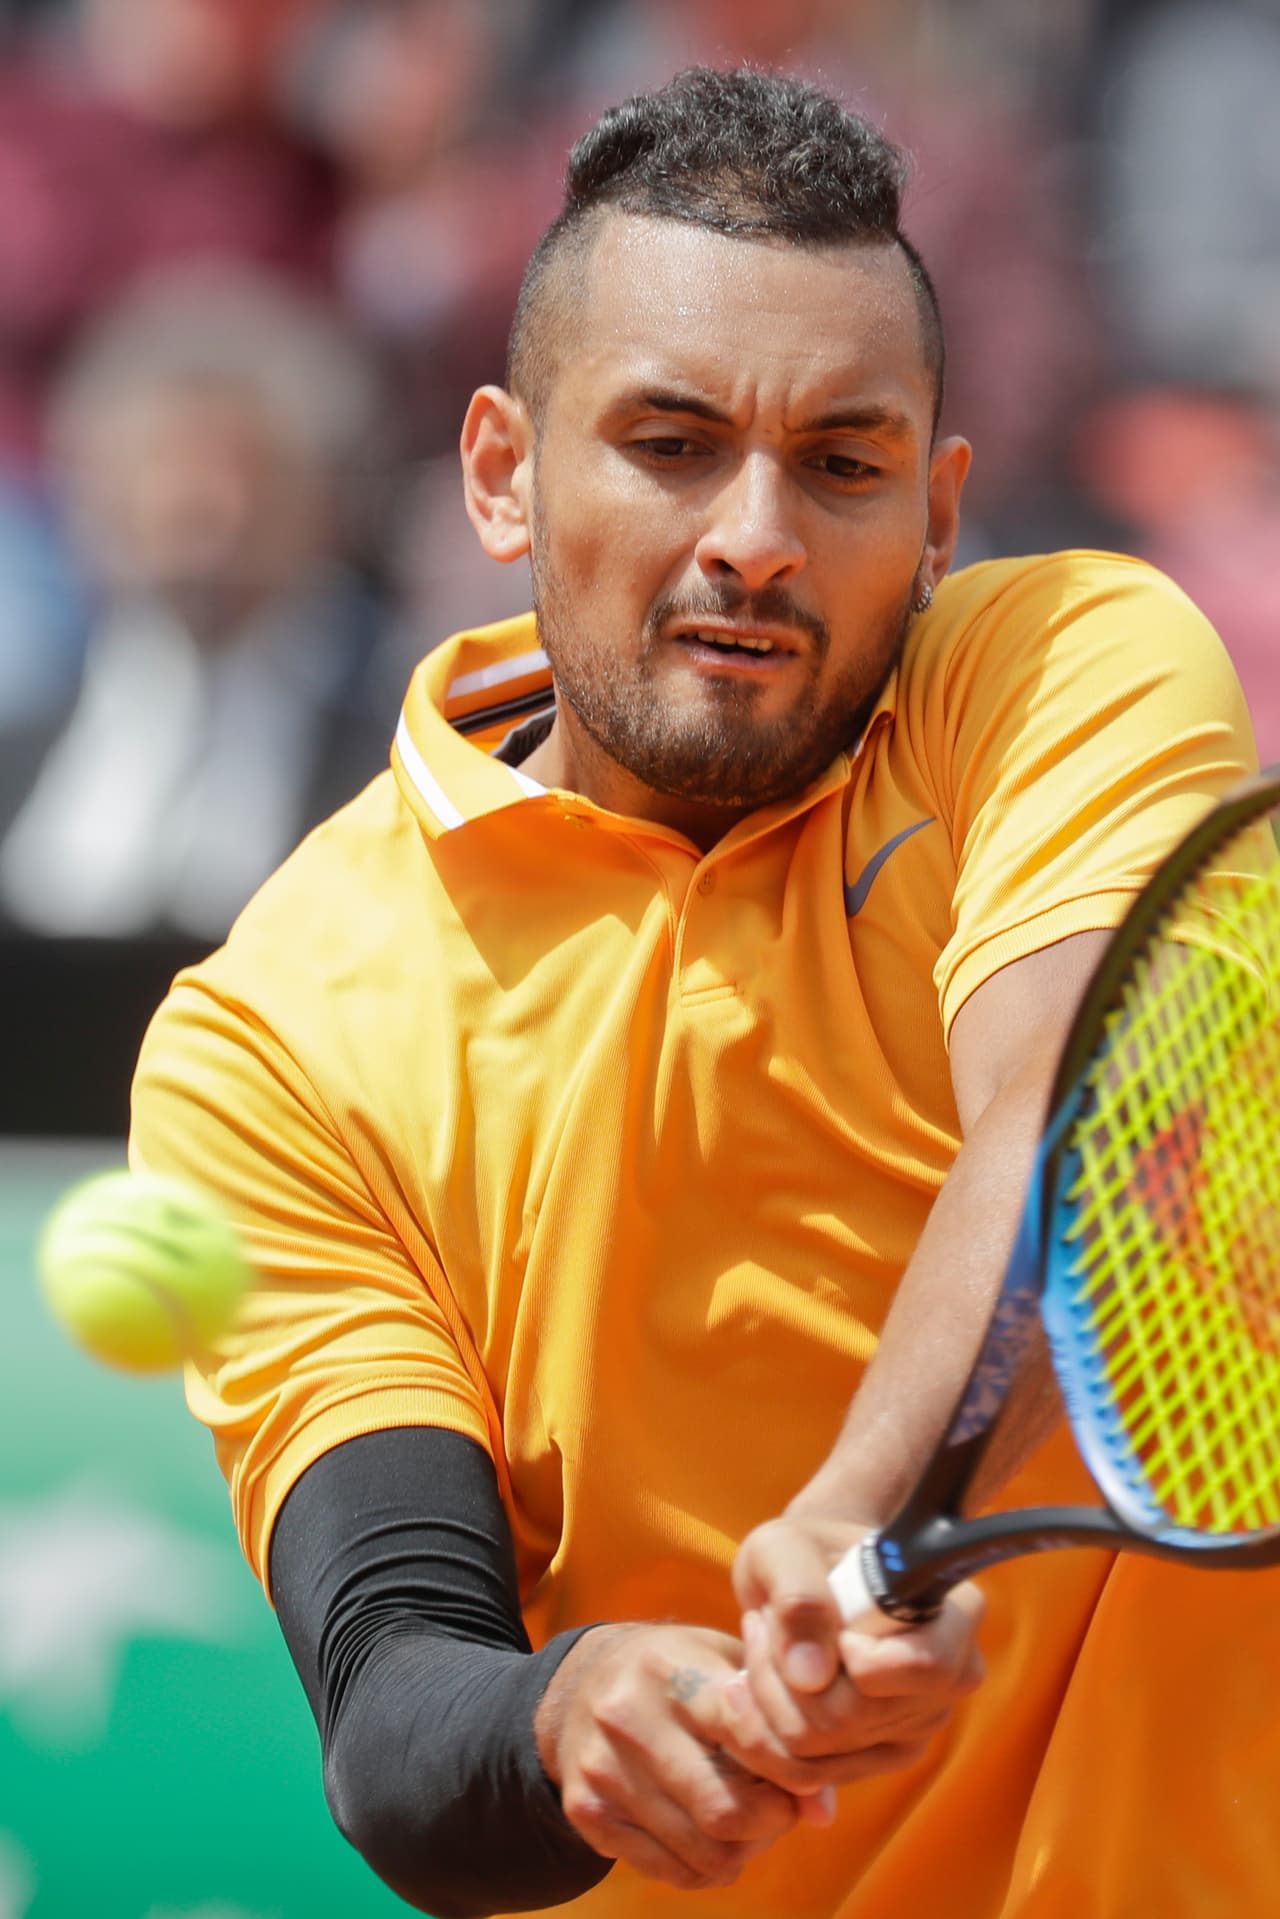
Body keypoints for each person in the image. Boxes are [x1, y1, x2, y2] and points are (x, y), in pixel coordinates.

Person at [130, 67, 1275, 1919]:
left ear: (940, 509)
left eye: (842, 463)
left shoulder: (1067, 660)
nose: (754, 531)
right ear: (501, 471)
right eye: (669, 443)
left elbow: (1063, 1107)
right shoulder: (269, 1041)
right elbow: (397, 1712)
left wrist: (854, 1514)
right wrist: (570, 1711)